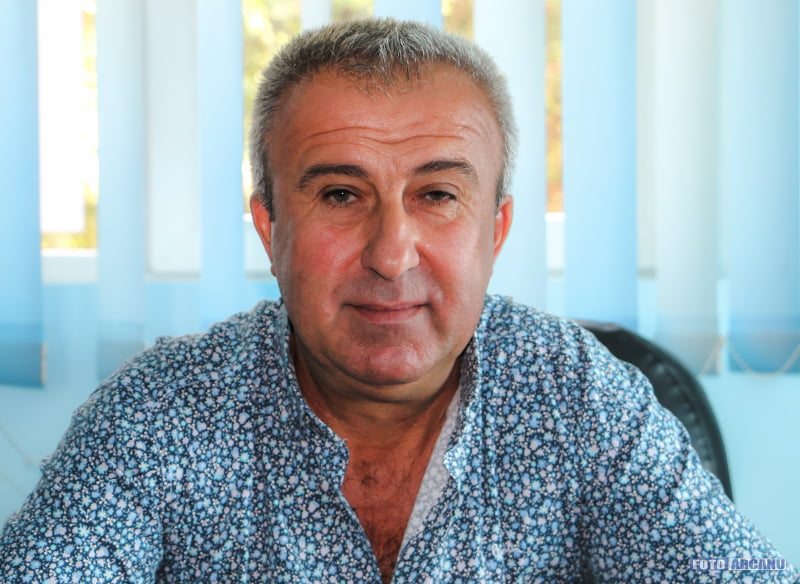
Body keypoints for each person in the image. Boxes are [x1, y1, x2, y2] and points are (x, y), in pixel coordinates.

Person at [1, 18, 797, 584]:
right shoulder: (155, 415)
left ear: (496, 230)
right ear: (270, 227)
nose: (391, 254)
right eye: (341, 194)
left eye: (438, 194)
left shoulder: (581, 398)